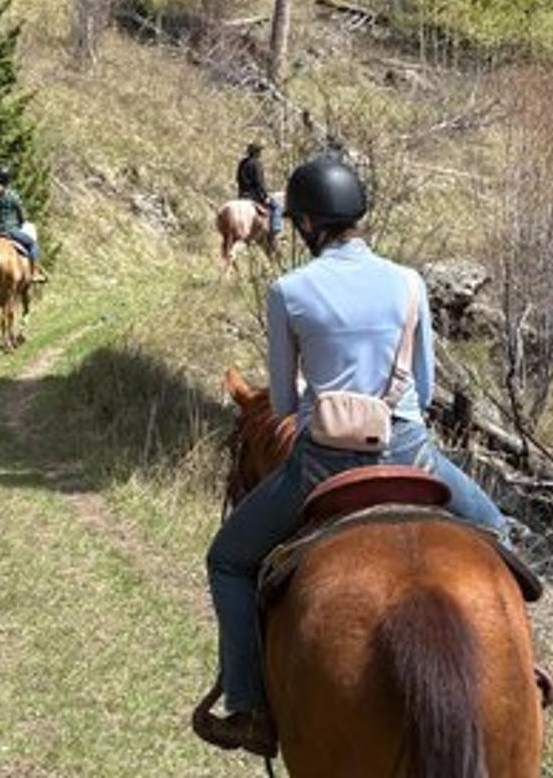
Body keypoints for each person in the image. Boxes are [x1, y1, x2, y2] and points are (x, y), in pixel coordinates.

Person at [193, 155, 518, 758]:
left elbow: (286, 402)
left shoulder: (288, 290)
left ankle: (249, 707)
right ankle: (527, 675)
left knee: (229, 562)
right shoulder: (409, 282)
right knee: (497, 535)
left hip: (323, 460)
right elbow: (421, 388)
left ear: (310, 224)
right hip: (410, 451)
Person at [0, 163, 40, 265]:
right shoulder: (13, 196)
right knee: (33, 244)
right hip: (9, 232)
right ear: (8, 180)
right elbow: (22, 217)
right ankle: (34, 271)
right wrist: (20, 223)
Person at [235, 141, 280, 236]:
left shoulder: (242, 163)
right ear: (257, 152)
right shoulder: (257, 164)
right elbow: (259, 183)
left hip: (242, 194)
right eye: (259, 151)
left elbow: (238, 179)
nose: (261, 153)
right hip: (254, 196)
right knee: (276, 206)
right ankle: (275, 228)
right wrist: (265, 196)